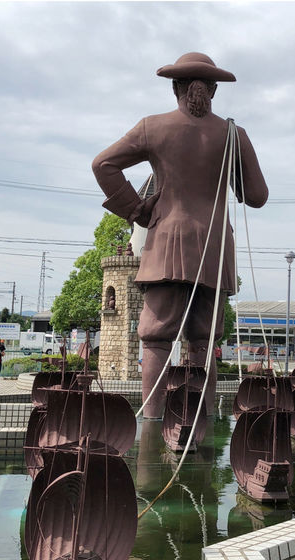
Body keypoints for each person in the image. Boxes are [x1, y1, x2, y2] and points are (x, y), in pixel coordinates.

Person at [93, 52, 268, 419]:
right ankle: (199, 425)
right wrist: (227, 171)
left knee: (157, 336)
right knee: (203, 340)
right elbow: (256, 196)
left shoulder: (153, 127)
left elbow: (103, 164)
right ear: (213, 91)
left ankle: (154, 422)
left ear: (175, 88)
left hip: (166, 245)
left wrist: (137, 210)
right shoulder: (234, 134)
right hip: (215, 248)